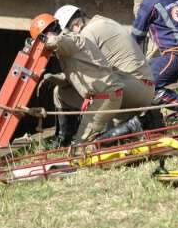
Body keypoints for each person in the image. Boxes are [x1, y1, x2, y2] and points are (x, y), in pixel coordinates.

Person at [53, 5, 158, 137]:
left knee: (62, 92)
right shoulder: (103, 22)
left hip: (130, 87)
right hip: (142, 86)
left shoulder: (87, 34)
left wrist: (62, 78)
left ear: (77, 25)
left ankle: (67, 139)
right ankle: (139, 122)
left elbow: (88, 75)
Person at [31, 14, 124, 146]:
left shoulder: (70, 40)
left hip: (106, 97)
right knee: (60, 93)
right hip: (97, 95)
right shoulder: (68, 47)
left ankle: (131, 127)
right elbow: (75, 77)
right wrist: (54, 78)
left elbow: (57, 42)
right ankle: (64, 139)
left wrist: (47, 40)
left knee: (81, 148)